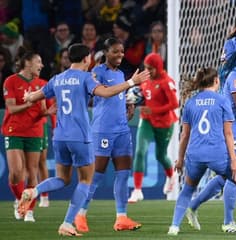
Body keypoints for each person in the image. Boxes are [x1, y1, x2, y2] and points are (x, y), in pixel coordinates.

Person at [17, 43, 149, 236]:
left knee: (62, 178)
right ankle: (68, 222)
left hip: (60, 136)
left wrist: (28, 96)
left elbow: (33, 97)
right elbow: (105, 92)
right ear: (87, 59)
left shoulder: (57, 79)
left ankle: (34, 191)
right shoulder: (86, 77)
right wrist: (132, 82)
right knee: (86, 180)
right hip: (80, 137)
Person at [167, 67, 236, 236]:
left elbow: (184, 135)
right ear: (216, 81)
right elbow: (228, 134)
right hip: (217, 154)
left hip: (195, 154)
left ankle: (174, 227)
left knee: (188, 189)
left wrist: (180, 159)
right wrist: (234, 159)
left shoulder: (191, 102)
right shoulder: (222, 101)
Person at [74, 38, 141, 233]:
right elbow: (103, 94)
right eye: (115, 52)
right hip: (103, 130)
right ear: (106, 52)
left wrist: (126, 109)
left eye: (121, 51)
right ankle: (80, 214)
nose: (120, 55)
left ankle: (121, 218)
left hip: (122, 130)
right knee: (96, 174)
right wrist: (131, 83)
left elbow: (117, 96)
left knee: (123, 173)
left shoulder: (120, 74)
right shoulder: (97, 73)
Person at [128, 53, 179, 203]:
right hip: (147, 121)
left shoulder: (167, 82)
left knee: (160, 155)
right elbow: (145, 94)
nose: (148, 71)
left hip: (164, 123)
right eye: (146, 68)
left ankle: (171, 176)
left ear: (158, 67)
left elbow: (175, 104)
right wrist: (134, 97)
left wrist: (154, 110)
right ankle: (137, 190)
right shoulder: (146, 78)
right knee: (139, 151)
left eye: (151, 68)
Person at [2, 49, 46, 222]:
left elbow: (42, 110)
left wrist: (48, 111)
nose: (41, 65)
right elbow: (11, 109)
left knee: (32, 172)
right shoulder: (11, 81)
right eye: (38, 61)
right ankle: (21, 201)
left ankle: (28, 210)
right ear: (28, 63)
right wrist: (30, 102)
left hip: (34, 131)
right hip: (14, 131)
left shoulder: (41, 84)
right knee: (15, 173)